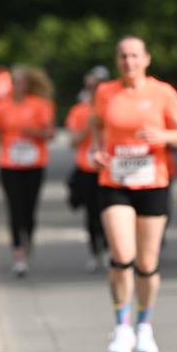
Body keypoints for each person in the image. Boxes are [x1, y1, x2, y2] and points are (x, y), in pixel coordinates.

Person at [93, 36, 177, 352]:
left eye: (135, 55)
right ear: (117, 60)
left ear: (146, 59)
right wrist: (97, 150)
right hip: (115, 181)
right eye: (123, 56)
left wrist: (163, 135)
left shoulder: (162, 92)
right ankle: (122, 327)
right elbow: (97, 126)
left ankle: (144, 326)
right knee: (122, 255)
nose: (129, 61)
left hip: (153, 182)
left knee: (147, 263)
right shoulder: (105, 92)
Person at [0, 65, 56, 276]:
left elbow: (50, 134)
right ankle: (18, 253)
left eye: (20, 81)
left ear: (28, 84)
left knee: (29, 210)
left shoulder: (41, 105)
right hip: (9, 164)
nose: (16, 85)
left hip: (34, 164)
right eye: (14, 81)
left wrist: (33, 132)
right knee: (14, 209)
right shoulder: (1, 106)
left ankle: (28, 237)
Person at [65, 66, 110, 271]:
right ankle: (94, 250)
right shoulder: (79, 111)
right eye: (91, 87)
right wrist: (89, 126)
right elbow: (72, 142)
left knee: (109, 211)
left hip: (109, 168)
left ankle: (109, 248)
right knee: (91, 213)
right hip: (87, 168)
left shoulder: (113, 108)